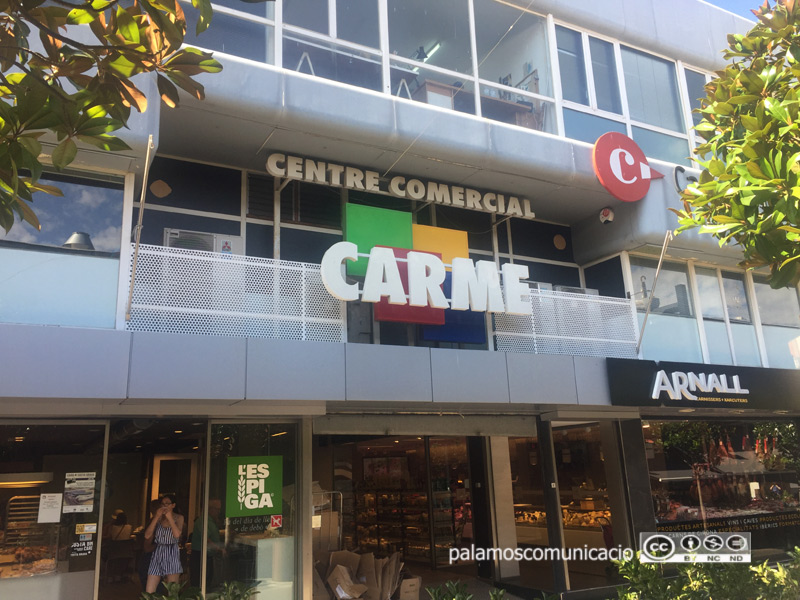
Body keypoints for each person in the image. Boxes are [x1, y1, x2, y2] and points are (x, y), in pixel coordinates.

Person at [144, 494, 184, 592]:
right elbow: (147, 535)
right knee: (149, 590)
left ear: (173, 505)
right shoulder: (158, 518)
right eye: (162, 504)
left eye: (167, 503)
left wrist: (170, 518)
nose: (164, 506)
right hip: (158, 552)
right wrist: (156, 516)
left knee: (172, 591)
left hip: (171, 553)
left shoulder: (179, 517)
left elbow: (177, 535)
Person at [190, 498, 224, 587]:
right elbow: (205, 538)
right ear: (210, 509)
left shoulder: (212, 521)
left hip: (209, 556)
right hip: (200, 556)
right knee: (200, 582)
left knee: (208, 580)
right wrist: (219, 548)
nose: (219, 512)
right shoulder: (203, 521)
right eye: (217, 509)